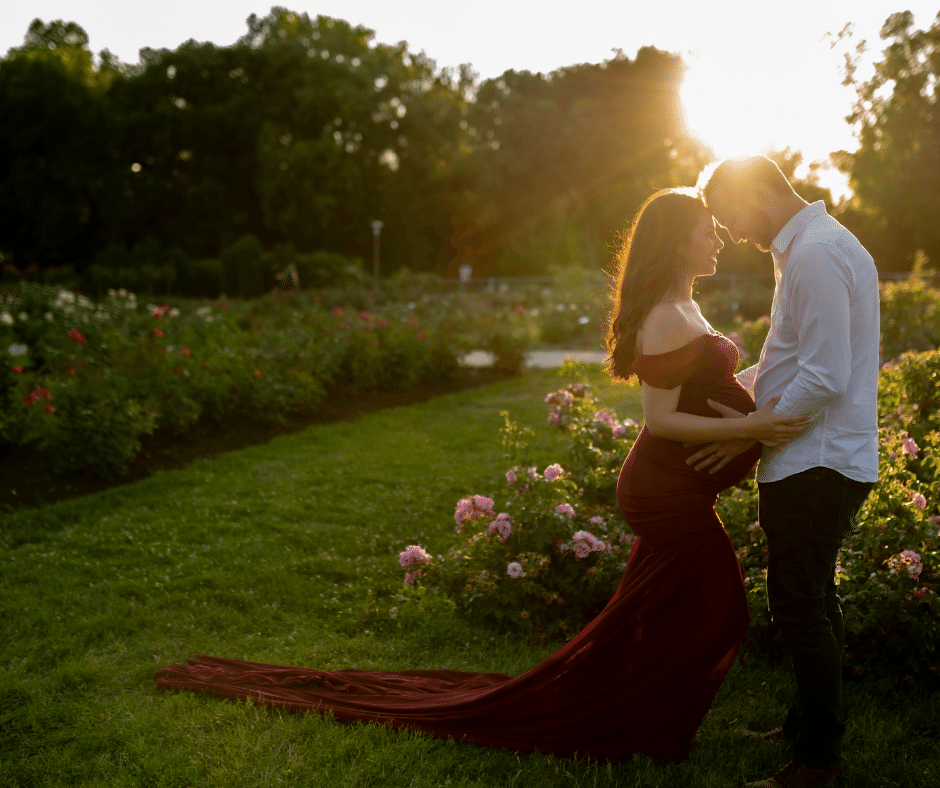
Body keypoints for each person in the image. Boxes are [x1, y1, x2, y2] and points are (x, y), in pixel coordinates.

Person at [154, 188, 810, 764]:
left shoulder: (684, 306)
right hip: (664, 492)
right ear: (675, 241)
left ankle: (634, 715)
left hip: (677, 487)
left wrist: (764, 387)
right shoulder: (666, 315)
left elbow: (713, 384)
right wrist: (748, 429)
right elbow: (662, 419)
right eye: (707, 228)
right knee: (721, 608)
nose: (719, 237)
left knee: (651, 616)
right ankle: (630, 719)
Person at [691, 155, 880, 788]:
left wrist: (758, 428)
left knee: (799, 607)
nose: (732, 230)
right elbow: (796, 356)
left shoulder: (816, 253)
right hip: (816, 457)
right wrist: (736, 394)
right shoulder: (807, 248)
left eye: (730, 213)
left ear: (757, 192)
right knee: (815, 600)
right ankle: (808, 727)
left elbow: (825, 374)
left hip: (816, 459)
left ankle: (817, 762)